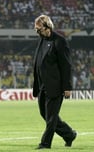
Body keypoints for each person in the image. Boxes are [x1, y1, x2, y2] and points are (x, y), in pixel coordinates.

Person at [32, 14, 77, 150]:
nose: (37, 32)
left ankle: (45, 143)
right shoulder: (42, 40)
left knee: (51, 118)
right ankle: (69, 134)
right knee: (44, 114)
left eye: (39, 29)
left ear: (47, 27)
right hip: (42, 85)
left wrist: (67, 87)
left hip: (55, 86)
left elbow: (66, 66)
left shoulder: (60, 41)